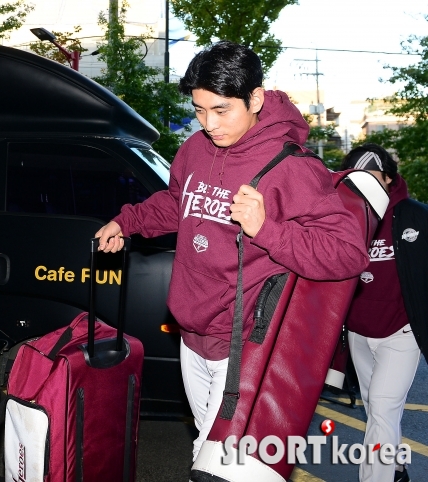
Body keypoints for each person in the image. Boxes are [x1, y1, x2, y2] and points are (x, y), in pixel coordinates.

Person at [95, 41, 370, 472]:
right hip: (191, 335)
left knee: (215, 466)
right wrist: (127, 222)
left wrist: (268, 230)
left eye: (221, 110)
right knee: (212, 457)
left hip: (244, 344)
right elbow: (176, 201)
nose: (208, 124)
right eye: (200, 110)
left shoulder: (293, 168)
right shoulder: (195, 149)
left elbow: (347, 255)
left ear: (255, 99)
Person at [340, 144, 425, 482]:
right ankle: (398, 466)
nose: (365, 186)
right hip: (360, 332)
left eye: (373, 177)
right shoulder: (343, 218)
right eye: (357, 178)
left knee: (382, 406)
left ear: (389, 178)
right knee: (379, 410)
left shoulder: (416, 216)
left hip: (401, 332)